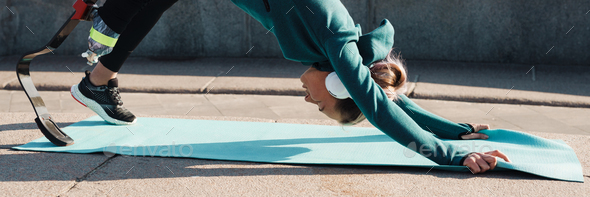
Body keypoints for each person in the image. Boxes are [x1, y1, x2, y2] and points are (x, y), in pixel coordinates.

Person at [70, 0, 510, 174]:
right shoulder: (334, 39)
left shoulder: (319, 51)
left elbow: (381, 97)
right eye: (320, 106)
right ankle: (109, 20)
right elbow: (374, 104)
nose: (307, 101)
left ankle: (98, 80)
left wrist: (454, 128)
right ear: (339, 87)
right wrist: (447, 152)